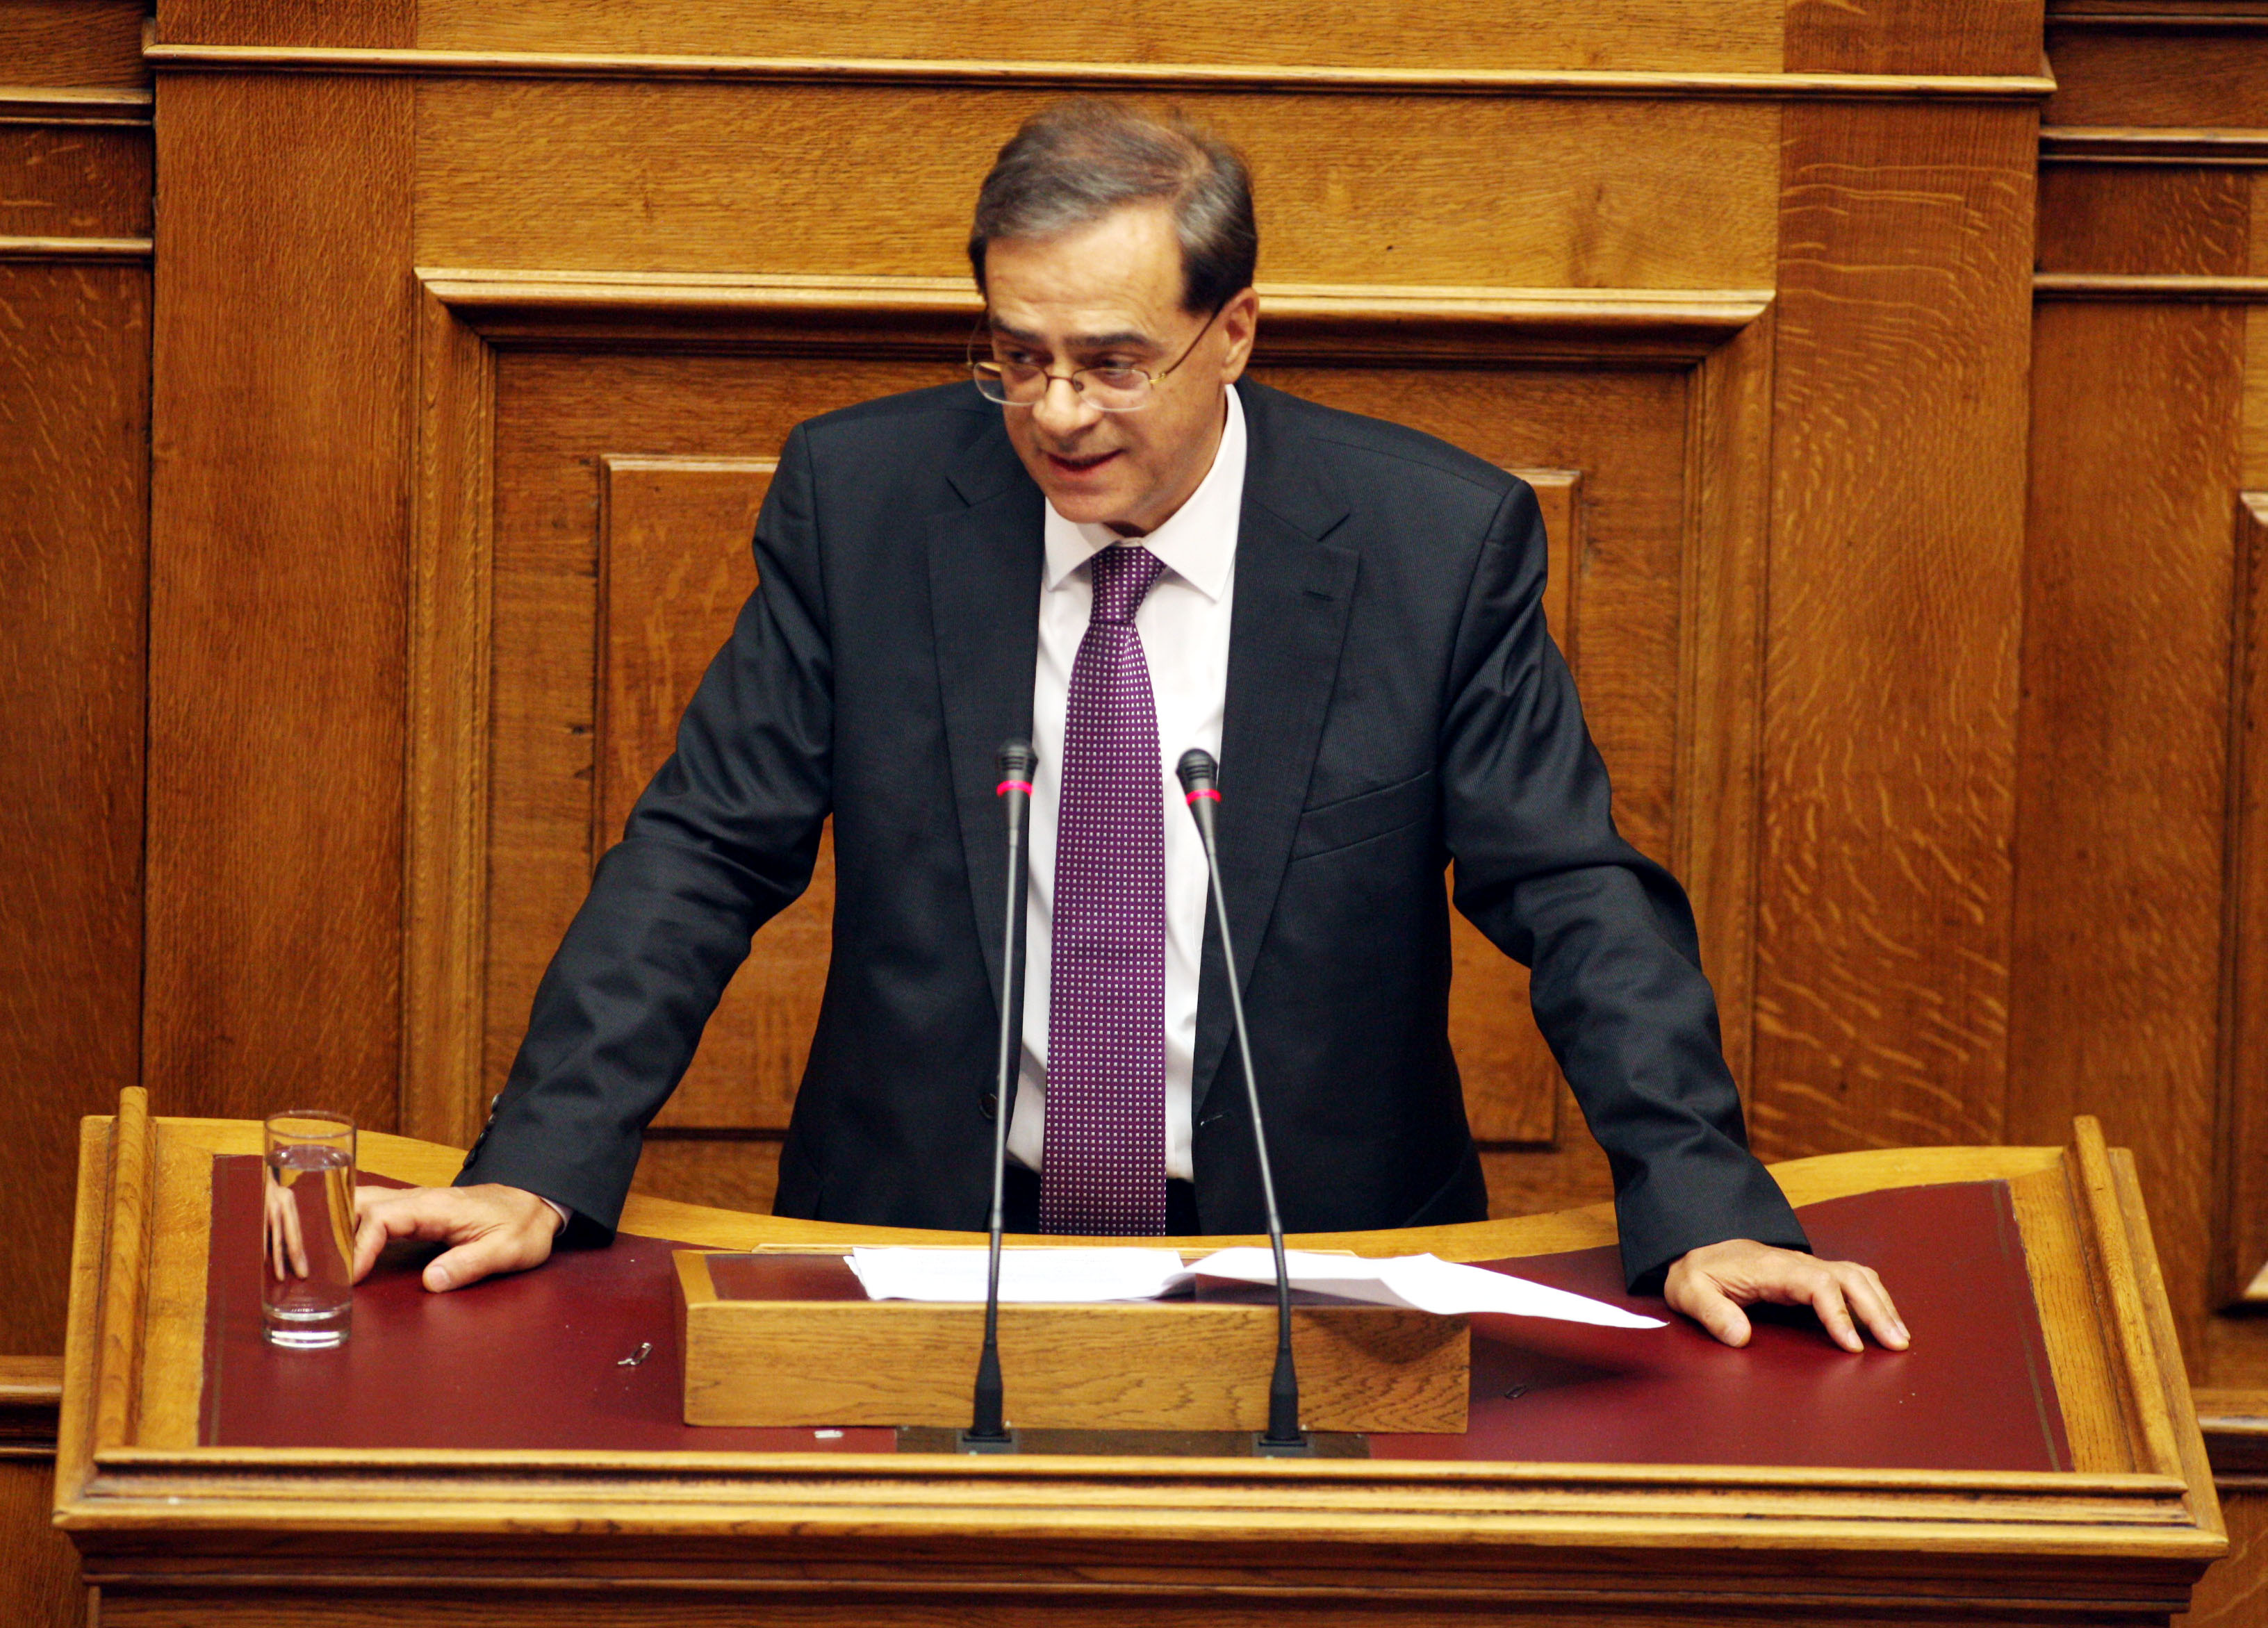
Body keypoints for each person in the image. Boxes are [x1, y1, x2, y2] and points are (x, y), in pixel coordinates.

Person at [356, 100, 1906, 1354]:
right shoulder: (866, 504)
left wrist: (1705, 1198)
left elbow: (1571, 889)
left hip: (1321, 1254)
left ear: (1235, 330)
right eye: (1016, 356)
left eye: (1110, 362)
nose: (1056, 412)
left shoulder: (1434, 545)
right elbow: (703, 849)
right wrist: (538, 1162)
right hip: (924, 1237)